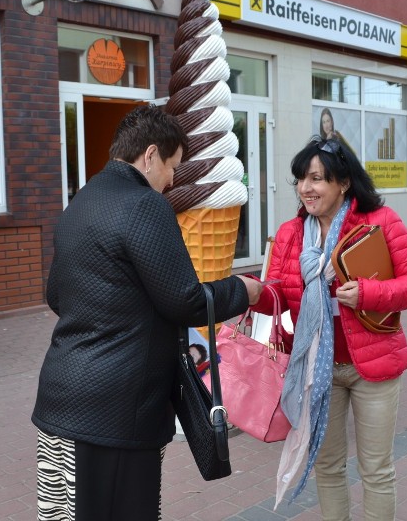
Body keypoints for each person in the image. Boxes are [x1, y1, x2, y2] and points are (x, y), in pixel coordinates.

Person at [31, 105, 263, 521]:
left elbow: (57, 295)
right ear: (150, 155)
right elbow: (185, 300)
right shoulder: (144, 205)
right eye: (173, 166)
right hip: (117, 410)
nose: (173, 179)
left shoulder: (81, 201)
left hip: (61, 397)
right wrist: (242, 291)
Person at [253, 135, 407, 520]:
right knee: (328, 467)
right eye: (301, 179)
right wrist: (252, 292)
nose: (305, 188)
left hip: (374, 367)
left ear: (343, 183)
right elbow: (280, 296)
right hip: (319, 369)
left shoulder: (380, 222)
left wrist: (366, 293)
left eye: (316, 179)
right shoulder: (291, 234)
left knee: (375, 470)